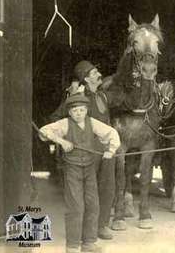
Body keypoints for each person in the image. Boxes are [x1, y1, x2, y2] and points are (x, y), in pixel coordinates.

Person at [50, 60, 126, 238]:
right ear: (86, 78)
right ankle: (86, 230)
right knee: (88, 193)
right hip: (88, 153)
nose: (98, 74)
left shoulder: (104, 96)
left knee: (107, 187)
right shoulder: (77, 98)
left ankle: (102, 226)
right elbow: (56, 117)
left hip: (106, 151)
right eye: (94, 73)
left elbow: (124, 96)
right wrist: (66, 138)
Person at [39, 94, 120, 253]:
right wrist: (61, 141)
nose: (78, 113)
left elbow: (112, 133)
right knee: (76, 207)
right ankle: (73, 246)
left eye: (82, 110)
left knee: (93, 205)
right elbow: (43, 132)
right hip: (72, 169)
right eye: (75, 110)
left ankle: (89, 242)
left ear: (86, 110)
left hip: (89, 169)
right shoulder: (64, 124)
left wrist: (110, 151)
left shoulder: (92, 122)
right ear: (69, 112)